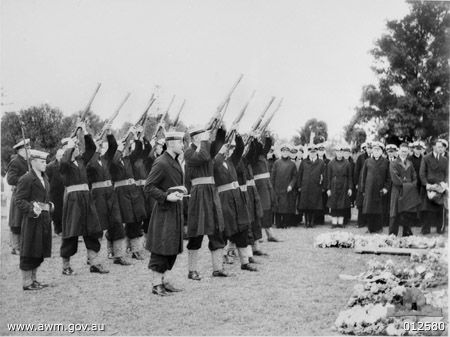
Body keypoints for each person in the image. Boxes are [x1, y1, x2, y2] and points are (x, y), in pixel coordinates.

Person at [59, 123, 108, 275]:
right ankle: (65, 266)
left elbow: (92, 148)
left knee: (92, 230)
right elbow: (65, 161)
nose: (78, 149)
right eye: (75, 147)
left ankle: (94, 263)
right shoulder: (64, 163)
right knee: (71, 233)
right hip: (73, 200)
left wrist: (85, 132)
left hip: (86, 198)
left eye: (77, 147)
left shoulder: (81, 161)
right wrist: (70, 146)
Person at [145, 131, 186, 296]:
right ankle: (156, 285)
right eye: (181, 142)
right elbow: (148, 187)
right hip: (164, 212)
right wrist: (166, 196)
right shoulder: (161, 162)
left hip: (174, 210)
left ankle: (165, 281)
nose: (183, 145)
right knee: (161, 247)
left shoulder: (174, 161)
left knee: (171, 246)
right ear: (172, 144)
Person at [184, 126, 226, 280]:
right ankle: (192, 270)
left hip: (210, 192)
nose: (207, 138)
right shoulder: (189, 152)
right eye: (203, 136)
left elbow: (219, 144)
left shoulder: (205, 148)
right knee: (196, 233)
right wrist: (204, 141)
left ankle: (217, 268)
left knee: (216, 230)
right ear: (195, 138)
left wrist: (221, 129)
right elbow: (203, 157)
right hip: (199, 194)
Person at [212, 127, 256, 273]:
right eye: (226, 148)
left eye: (230, 148)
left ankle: (244, 262)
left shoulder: (231, 161)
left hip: (237, 198)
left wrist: (238, 136)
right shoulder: (214, 162)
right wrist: (219, 152)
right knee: (224, 232)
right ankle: (219, 265)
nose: (229, 150)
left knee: (242, 229)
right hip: (224, 201)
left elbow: (240, 149)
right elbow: (214, 164)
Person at [86, 126, 130, 266]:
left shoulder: (105, 159)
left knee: (117, 224)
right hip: (97, 196)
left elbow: (113, 147)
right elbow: (90, 156)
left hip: (110, 194)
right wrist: (91, 140)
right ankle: (93, 258)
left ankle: (119, 255)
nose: (99, 146)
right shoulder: (89, 161)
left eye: (100, 144)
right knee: (97, 228)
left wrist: (109, 134)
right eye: (97, 144)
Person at [105, 128, 147, 260]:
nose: (124, 149)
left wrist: (136, 138)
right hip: (120, 193)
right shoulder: (111, 160)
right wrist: (118, 147)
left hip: (132, 192)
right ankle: (111, 248)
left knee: (135, 220)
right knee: (117, 222)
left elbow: (139, 151)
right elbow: (114, 156)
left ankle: (135, 250)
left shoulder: (128, 159)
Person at [15, 150, 53, 290]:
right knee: (29, 249)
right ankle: (27, 282)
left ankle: (34, 279)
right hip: (32, 220)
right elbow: (19, 200)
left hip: (44, 219)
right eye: (42, 162)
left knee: (39, 249)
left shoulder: (45, 178)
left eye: (45, 161)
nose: (45, 164)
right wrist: (31, 208)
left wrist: (50, 206)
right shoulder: (26, 179)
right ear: (33, 162)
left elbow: (46, 197)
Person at [248, 133, 280, 242]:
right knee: (262, 209)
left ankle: (269, 234)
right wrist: (255, 139)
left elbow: (267, 146)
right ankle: (261, 235)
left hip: (266, 184)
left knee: (268, 208)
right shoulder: (252, 155)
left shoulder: (261, 154)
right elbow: (256, 149)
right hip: (259, 185)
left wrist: (267, 136)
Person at [388, 143, 420, 236]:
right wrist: (408, 184)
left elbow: (414, 176)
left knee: (407, 211)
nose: (404, 153)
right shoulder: (393, 163)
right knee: (394, 212)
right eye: (402, 151)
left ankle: (406, 235)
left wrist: (411, 185)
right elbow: (395, 178)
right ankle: (392, 235)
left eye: (406, 152)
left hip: (408, 192)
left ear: (408, 152)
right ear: (398, 151)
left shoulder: (410, 163)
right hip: (397, 191)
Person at [360, 142, 391, 233]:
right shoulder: (367, 161)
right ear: (372, 151)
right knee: (369, 209)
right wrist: (363, 189)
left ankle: (378, 228)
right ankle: (370, 228)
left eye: (378, 150)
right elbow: (363, 176)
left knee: (379, 210)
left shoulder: (386, 162)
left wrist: (386, 188)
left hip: (380, 190)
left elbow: (389, 178)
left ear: (382, 151)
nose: (376, 151)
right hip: (369, 190)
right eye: (374, 149)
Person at [7, 139, 31, 255]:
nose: (29, 150)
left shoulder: (28, 162)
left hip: (27, 195)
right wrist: (24, 177)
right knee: (16, 221)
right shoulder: (15, 162)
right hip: (19, 194)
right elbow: (10, 179)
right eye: (28, 149)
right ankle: (15, 246)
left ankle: (19, 245)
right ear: (22, 150)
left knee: (23, 220)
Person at [419, 139, 448, 234]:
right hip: (429, 187)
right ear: (434, 147)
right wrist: (427, 185)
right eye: (439, 147)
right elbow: (422, 173)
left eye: (442, 147)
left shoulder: (445, 160)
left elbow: (447, 174)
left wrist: (445, 184)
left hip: (440, 188)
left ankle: (440, 229)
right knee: (427, 210)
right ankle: (425, 230)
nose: (441, 149)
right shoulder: (426, 158)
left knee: (440, 209)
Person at [297, 144, 325, 227]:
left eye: (314, 152)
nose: (312, 153)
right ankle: (306, 221)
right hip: (305, 186)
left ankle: (312, 222)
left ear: (316, 152)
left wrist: (323, 186)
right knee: (305, 205)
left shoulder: (321, 162)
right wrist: (299, 186)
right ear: (308, 152)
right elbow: (300, 174)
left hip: (316, 186)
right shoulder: (304, 161)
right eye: (311, 152)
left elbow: (324, 175)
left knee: (314, 205)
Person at [271, 144, 297, 228]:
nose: (285, 153)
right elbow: (273, 176)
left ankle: (285, 223)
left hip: (287, 189)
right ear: (281, 152)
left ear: (289, 152)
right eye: (283, 151)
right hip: (277, 188)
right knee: (277, 207)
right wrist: (272, 188)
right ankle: (278, 223)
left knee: (286, 206)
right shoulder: (277, 163)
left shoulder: (292, 164)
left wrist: (291, 186)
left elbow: (294, 177)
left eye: (286, 151)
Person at [326, 146, 353, 228]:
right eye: (337, 152)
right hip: (334, 186)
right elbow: (328, 177)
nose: (339, 153)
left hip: (344, 186)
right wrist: (328, 188)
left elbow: (350, 176)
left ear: (343, 153)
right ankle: (334, 223)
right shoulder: (331, 163)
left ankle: (340, 223)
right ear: (335, 152)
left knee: (342, 204)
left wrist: (350, 188)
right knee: (334, 204)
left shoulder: (347, 163)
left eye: (341, 152)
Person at [45, 148, 65, 235]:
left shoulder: (66, 164)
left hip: (64, 191)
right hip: (54, 193)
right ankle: (58, 230)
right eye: (60, 156)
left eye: (63, 156)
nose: (61, 158)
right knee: (56, 212)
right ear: (56, 156)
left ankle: (65, 229)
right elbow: (46, 179)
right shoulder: (50, 166)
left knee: (65, 210)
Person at [408, 141, 425, 227]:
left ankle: (419, 220)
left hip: (422, 184)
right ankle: (412, 220)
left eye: (419, 149)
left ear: (422, 150)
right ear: (413, 149)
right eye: (416, 149)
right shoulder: (409, 159)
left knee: (420, 202)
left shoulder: (424, 158)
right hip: (412, 183)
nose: (418, 151)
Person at [354, 142, 371, 228]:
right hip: (362, 183)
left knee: (369, 203)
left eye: (372, 148)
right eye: (368, 148)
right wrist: (356, 183)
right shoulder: (361, 157)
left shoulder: (375, 158)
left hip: (371, 184)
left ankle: (369, 222)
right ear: (366, 149)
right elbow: (356, 171)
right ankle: (360, 222)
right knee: (361, 204)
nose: (370, 149)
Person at [317, 143, 330, 225]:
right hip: (316, 184)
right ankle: (315, 218)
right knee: (316, 201)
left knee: (323, 202)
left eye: (322, 150)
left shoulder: (328, 161)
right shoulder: (315, 160)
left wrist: (326, 185)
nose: (321, 152)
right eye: (319, 150)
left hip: (324, 184)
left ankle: (321, 219)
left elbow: (328, 173)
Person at [342, 146, 354, 225]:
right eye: (345, 153)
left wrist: (351, 186)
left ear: (349, 154)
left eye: (348, 153)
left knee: (348, 201)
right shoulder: (340, 161)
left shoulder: (352, 163)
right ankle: (342, 217)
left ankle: (347, 217)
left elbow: (353, 174)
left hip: (349, 183)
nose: (346, 154)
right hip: (341, 184)